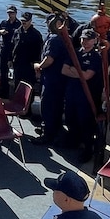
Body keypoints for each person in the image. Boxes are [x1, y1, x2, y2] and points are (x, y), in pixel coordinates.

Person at [63, 29, 107, 162]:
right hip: (72, 93)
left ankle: (88, 150)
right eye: (83, 39)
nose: (85, 42)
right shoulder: (75, 53)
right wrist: (79, 73)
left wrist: (75, 71)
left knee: (85, 124)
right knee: (70, 119)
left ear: (94, 41)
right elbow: (64, 70)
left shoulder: (96, 57)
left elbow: (88, 76)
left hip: (87, 98)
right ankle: (74, 142)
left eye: (88, 40)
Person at [36, 15, 71, 145]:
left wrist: (39, 66)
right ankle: (52, 130)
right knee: (55, 105)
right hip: (58, 78)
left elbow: (49, 59)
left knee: (48, 104)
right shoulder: (62, 37)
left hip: (52, 77)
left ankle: (47, 133)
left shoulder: (55, 39)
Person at [10, 11, 44, 93]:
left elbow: (39, 52)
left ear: (30, 21)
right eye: (22, 20)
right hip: (17, 64)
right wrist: (10, 59)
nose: (23, 22)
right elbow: (12, 46)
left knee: (27, 87)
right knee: (16, 85)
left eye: (25, 21)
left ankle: (28, 105)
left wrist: (37, 67)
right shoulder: (17, 32)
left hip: (29, 66)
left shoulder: (36, 35)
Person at [0, 5, 21, 93]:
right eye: (9, 13)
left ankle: (15, 92)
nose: (10, 15)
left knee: (15, 73)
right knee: (3, 71)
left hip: (14, 51)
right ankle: (3, 91)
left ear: (16, 13)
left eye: (12, 13)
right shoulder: (4, 23)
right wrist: (0, 32)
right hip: (4, 50)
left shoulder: (19, 24)